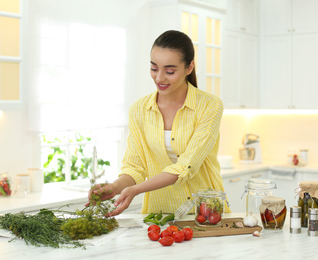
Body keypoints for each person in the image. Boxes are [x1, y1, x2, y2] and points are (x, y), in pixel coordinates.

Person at [88, 30, 230, 216]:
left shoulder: (209, 106)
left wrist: (136, 190)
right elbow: (135, 166)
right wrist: (116, 187)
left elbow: (186, 166)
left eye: (169, 71)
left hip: (206, 213)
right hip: (159, 215)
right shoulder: (139, 109)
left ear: (189, 68)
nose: (159, 78)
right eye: (154, 68)